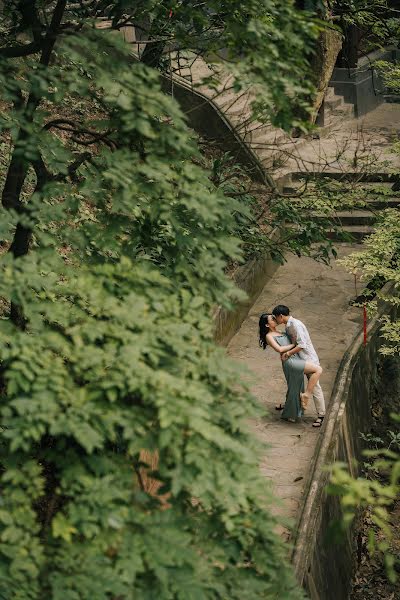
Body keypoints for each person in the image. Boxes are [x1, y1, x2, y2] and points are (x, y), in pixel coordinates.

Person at [258, 313, 322, 423]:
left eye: (274, 318)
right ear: (267, 325)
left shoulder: (280, 331)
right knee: (318, 369)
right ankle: (306, 395)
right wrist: (295, 345)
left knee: (294, 386)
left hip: (295, 358)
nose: (275, 320)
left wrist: (295, 344)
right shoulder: (269, 336)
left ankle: (290, 412)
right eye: (272, 319)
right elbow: (279, 349)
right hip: (289, 361)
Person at [272, 305, 325, 428]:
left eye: (276, 318)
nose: (275, 320)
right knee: (294, 383)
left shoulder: (296, 325)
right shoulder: (289, 325)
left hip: (308, 358)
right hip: (299, 359)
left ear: (281, 316)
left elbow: (302, 345)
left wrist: (288, 354)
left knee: (315, 386)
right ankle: (290, 404)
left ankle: (321, 415)